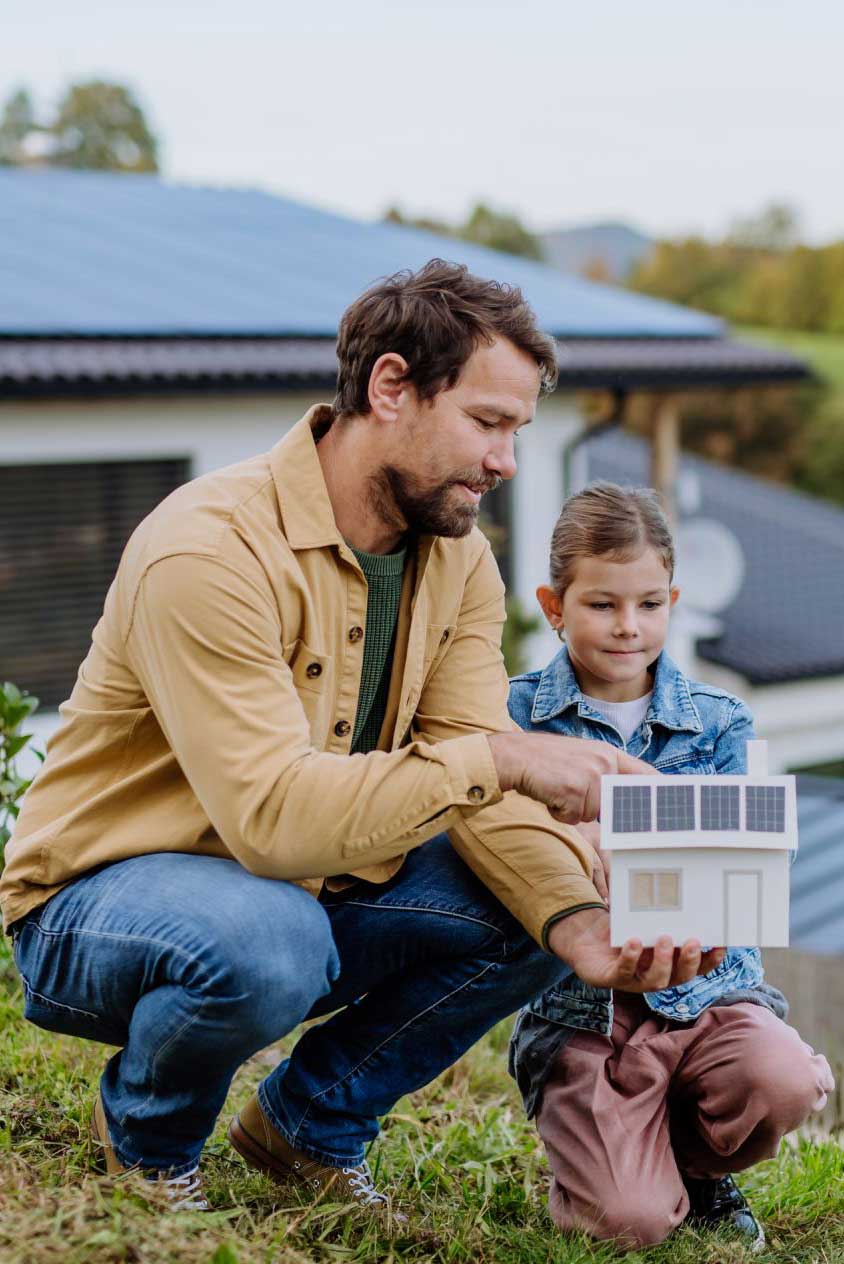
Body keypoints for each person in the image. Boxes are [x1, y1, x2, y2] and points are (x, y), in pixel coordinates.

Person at [1, 262, 720, 1219]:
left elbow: (471, 769)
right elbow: (273, 822)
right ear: (390, 388)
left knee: (543, 889)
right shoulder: (208, 548)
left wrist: (579, 925)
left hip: (303, 890)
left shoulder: (456, 556)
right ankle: (153, 1147)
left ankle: (308, 1128)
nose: (506, 461)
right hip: (98, 907)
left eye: (518, 431)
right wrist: (508, 754)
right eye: (488, 423)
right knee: (272, 940)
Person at [508, 482, 834, 1252]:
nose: (629, 627)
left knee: (786, 1081)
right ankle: (622, 1163)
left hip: (710, 992)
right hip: (584, 1012)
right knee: (628, 1224)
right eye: (602, 605)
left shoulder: (723, 721)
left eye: (650, 604)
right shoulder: (516, 721)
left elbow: (754, 857)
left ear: (673, 600)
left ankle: (698, 1168)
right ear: (553, 605)